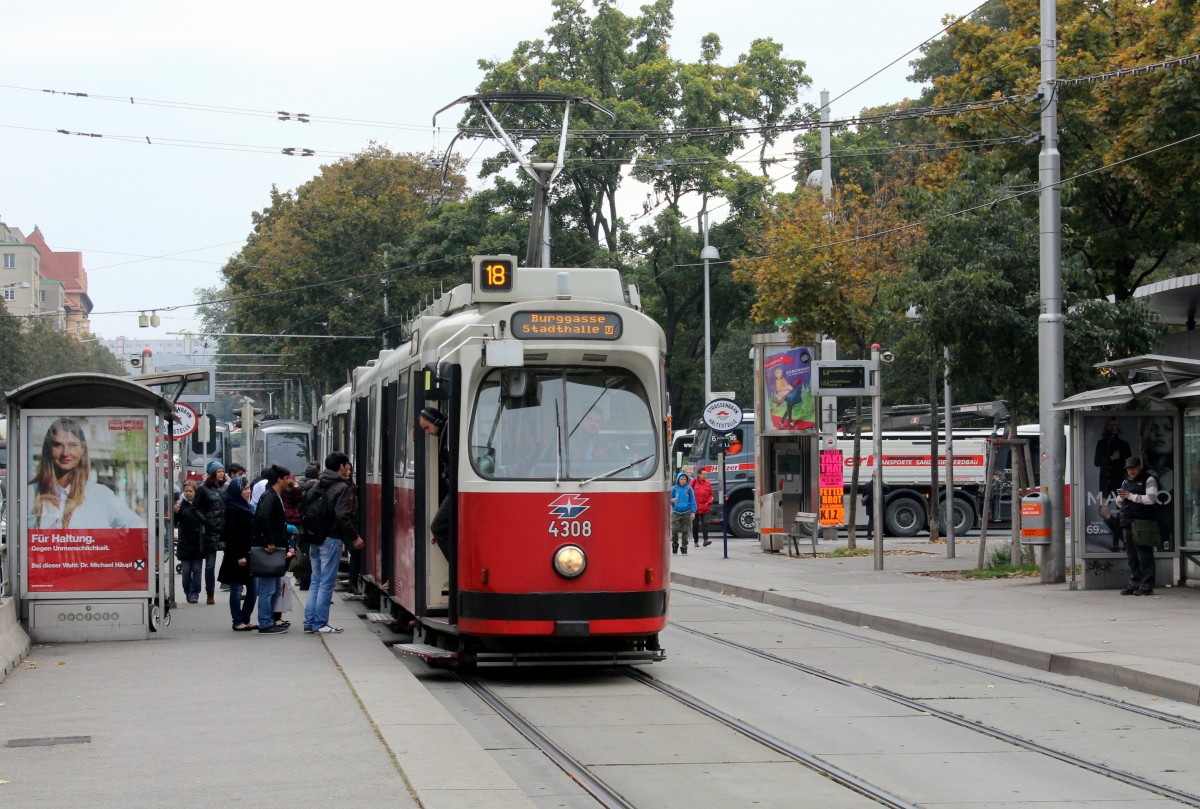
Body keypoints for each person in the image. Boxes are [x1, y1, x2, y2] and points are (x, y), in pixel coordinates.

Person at [27, 417, 142, 530]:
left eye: (72, 445)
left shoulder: (100, 495)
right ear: (48, 449)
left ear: (82, 449)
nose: (65, 453)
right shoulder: (28, 493)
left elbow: (138, 527)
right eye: (58, 445)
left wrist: (111, 546)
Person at [303, 452, 365, 634]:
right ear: (341, 466)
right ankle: (321, 623)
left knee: (316, 580)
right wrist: (354, 537)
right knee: (326, 583)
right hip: (331, 539)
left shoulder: (318, 483)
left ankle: (310, 621)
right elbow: (342, 515)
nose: (348, 469)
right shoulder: (341, 487)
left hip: (315, 538)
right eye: (346, 465)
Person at [251, 464, 292, 634]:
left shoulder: (272, 495)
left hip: (275, 547)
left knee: (273, 588)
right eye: (286, 478)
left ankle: (269, 620)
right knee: (268, 589)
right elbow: (263, 517)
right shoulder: (270, 497)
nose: (288, 482)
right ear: (279, 479)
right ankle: (265, 623)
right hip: (270, 548)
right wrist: (269, 541)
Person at [216, 476, 257, 631]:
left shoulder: (248, 507)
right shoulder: (232, 509)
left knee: (253, 589)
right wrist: (240, 555)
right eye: (244, 489)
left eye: (248, 488)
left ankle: (245, 618)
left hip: (249, 553)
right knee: (236, 589)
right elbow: (232, 534)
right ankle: (237, 621)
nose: (248, 492)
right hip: (236, 556)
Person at [1117, 456, 1158, 596]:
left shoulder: (1149, 479)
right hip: (1127, 522)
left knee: (1144, 555)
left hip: (1142, 522)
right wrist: (1121, 498)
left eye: (1134, 468)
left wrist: (1131, 496)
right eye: (1129, 469)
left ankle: (1147, 585)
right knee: (1132, 556)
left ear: (1139, 467)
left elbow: (1151, 499)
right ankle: (1135, 583)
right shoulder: (1125, 481)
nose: (1131, 471)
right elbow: (1119, 501)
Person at [420, 407, 453, 562]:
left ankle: (456, 566)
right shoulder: (446, 432)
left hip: (454, 491)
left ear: (436, 421)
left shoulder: (448, 432)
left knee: (437, 527)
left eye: (427, 427)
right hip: (452, 489)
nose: (427, 432)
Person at [1094, 418, 1131, 548]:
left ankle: (1117, 544)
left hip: (1120, 483)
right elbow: (1096, 462)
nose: (1112, 427)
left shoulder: (1124, 445)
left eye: (1115, 425)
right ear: (1107, 427)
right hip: (1105, 483)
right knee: (1103, 511)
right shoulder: (1101, 443)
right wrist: (1110, 458)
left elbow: (1128, 465)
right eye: (1110, 425)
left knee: (1121, 512)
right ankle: (1125, 539)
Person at [174, 481, 210, 604]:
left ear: (196, 492)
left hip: (198, 542)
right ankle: (187, 591)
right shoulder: (181, 506)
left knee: (197, 569)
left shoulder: (201, 505)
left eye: (191, 491)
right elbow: (175, 523)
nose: (188, 493)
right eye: (186, 491)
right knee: (186, 571)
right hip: (184, 542)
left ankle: (195, 593)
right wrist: (175, 512)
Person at [670, 470, 696, 555]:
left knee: (685, 531)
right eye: (681, 479)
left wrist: (693, 512)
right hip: (676, 512)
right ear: (678, 479)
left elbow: (693, 501)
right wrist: (672, 500)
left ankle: (684, 547)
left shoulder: (689, 489)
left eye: (685, 479)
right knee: (675, 530)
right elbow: (667, 500)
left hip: (686, 512)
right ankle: (675, 544)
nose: (683, 481)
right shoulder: (674, 489)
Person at [691, 467, 714, 548]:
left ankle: (705, 540)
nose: (705, 476)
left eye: (706, 474)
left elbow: (711, 494)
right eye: (703, 474)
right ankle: (696, 541)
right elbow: (689, 493)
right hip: (695, 508)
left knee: (705, 523)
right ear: (699, 475)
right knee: (695, 525)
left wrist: (709, 502)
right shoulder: (693, 482)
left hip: (705, 507)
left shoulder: (708, 483)